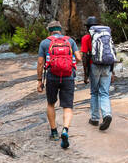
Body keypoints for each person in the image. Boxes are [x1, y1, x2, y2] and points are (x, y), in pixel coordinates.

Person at [37, 21, 81, 149]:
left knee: (51, 103)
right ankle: (65, 130)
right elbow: (78, 57)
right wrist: (71, 64)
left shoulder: (45, 43)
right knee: (67, 106)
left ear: (49, 31)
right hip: (68, 76)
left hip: (52, 77)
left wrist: (40, 81)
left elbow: (40, 63)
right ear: (60, 30)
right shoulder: (70, 41)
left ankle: (54, 132)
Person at [80, 15, 117, 131]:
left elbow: (85, 57)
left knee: (95, 92)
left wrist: (86, 75)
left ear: (88, 28)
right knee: (104, 93)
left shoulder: (86, 38)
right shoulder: (106, 35)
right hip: (107, 66)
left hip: (94, 66)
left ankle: (95, 119)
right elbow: (111, 53)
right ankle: (107, 115)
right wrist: (112, 72)